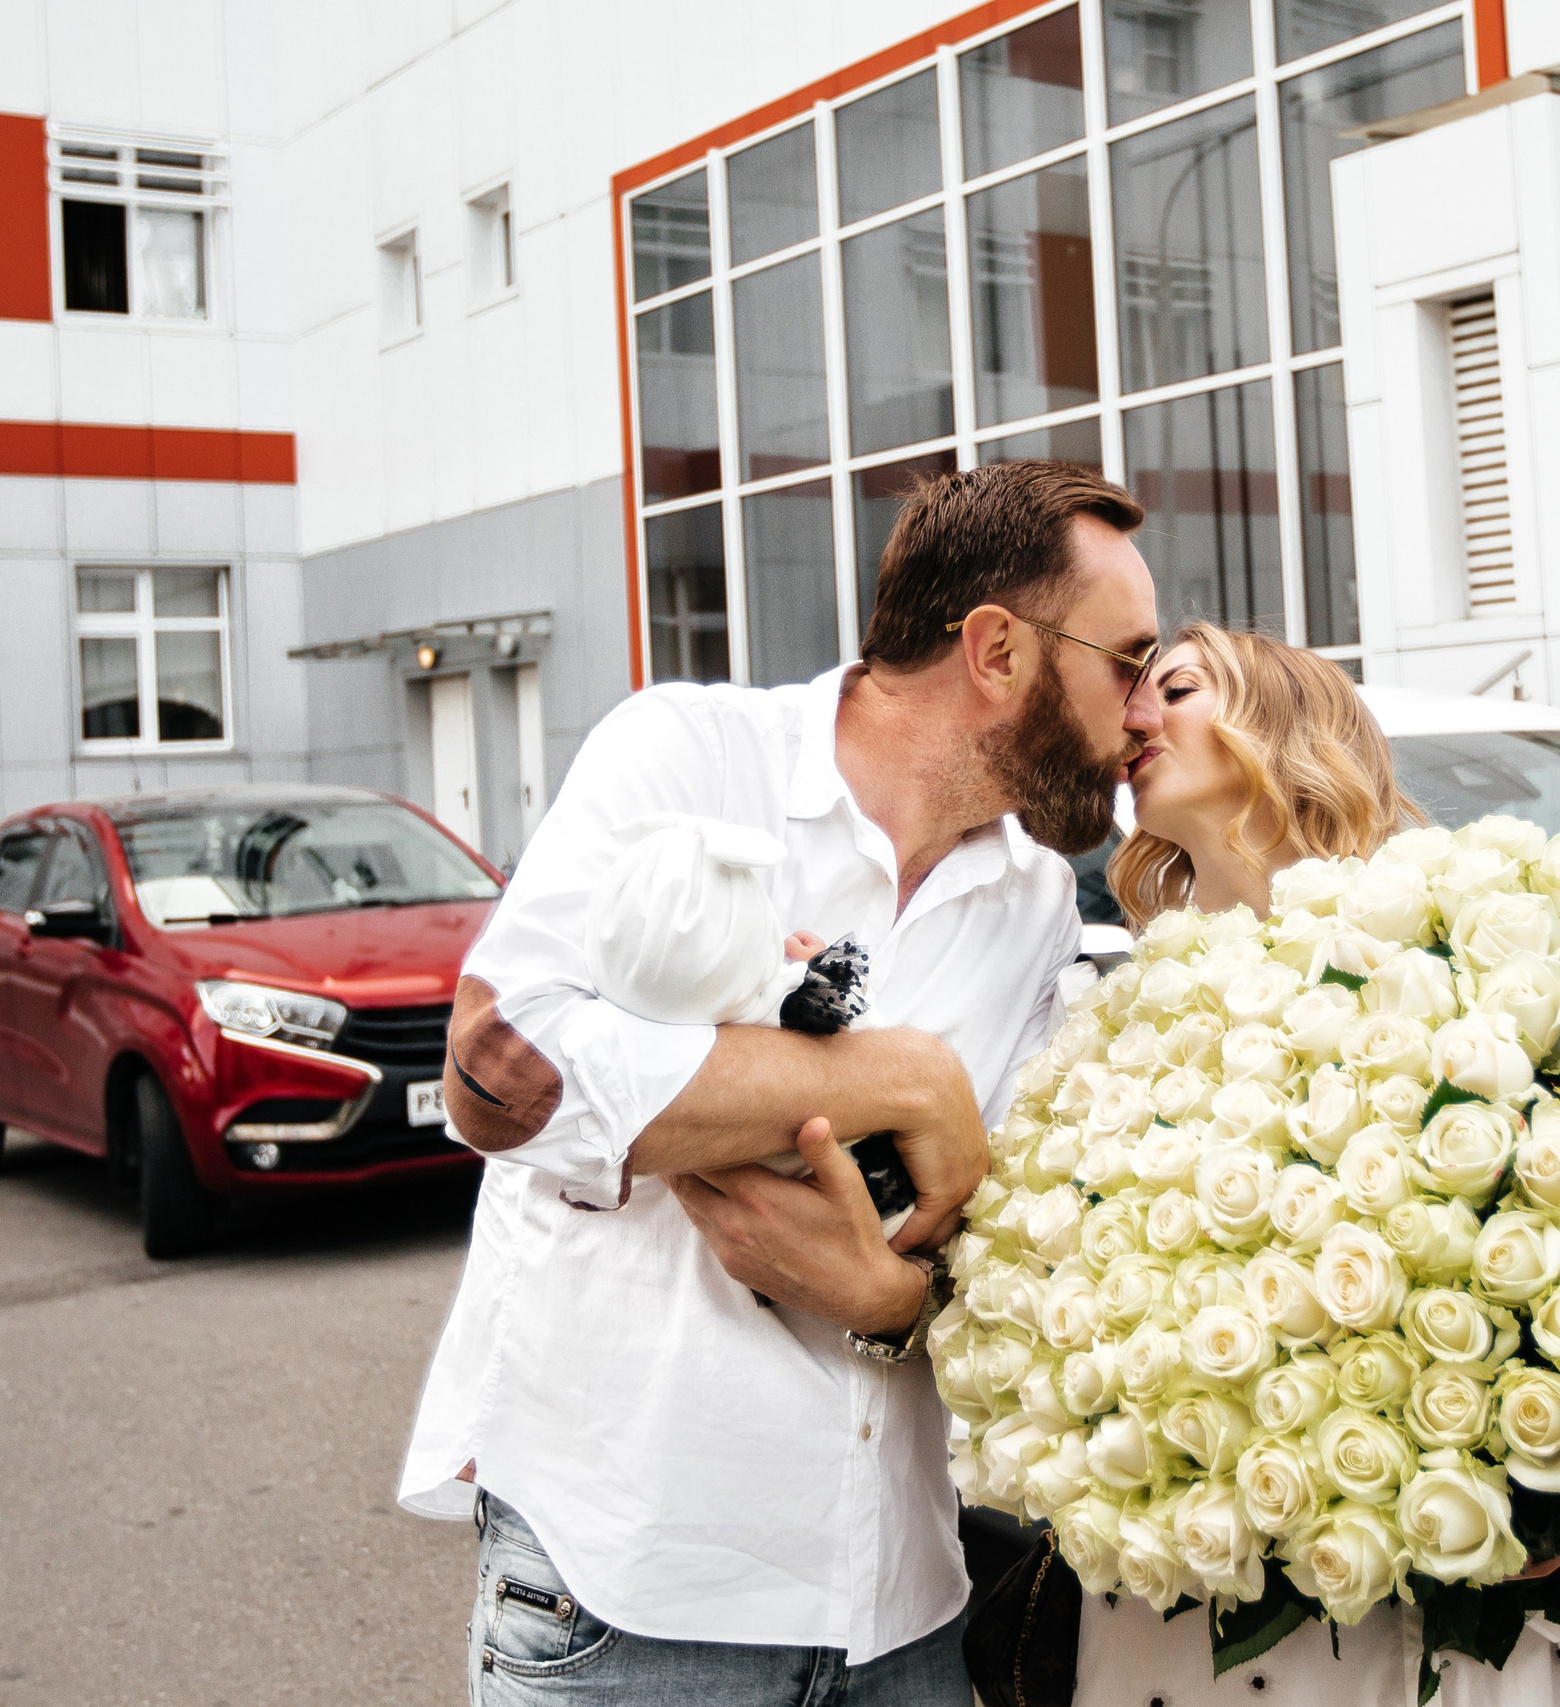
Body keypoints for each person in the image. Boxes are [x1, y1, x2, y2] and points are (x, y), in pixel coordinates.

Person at [401, 460, 1167, 1706]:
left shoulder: (1033, 903)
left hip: (907, 1610)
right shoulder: (689, 757)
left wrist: (893, 1301)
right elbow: (499, 1073)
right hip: (631, 1605)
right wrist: (896, 1077)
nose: (1142, 707)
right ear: (995, 650)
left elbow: (988, 1231)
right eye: (1126, 660)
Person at [1078, 623, 1560, 1707]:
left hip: (1408, 1590)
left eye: (1171, 688)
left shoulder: (1439, 954)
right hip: (1193, 1573)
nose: (1133, 717)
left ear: (1278, 721)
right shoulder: (1125, 1008)